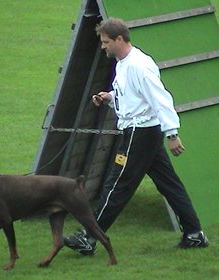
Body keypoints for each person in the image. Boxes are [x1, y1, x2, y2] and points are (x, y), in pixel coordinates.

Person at [64, 18, 209, 255]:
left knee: (117, 184)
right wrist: (109, 97)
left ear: (119, 39)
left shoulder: (139, 66)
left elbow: (160, 99)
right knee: (169, 184)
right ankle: (194, 234)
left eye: (106, 42)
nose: (103, 47)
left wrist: (172, 133)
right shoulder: (124, 62)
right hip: (144, 133)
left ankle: (89, 236)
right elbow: (130, 94)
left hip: (138, 134)